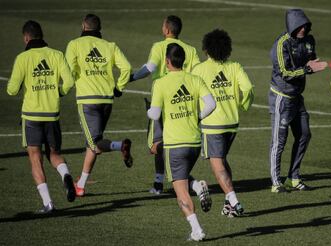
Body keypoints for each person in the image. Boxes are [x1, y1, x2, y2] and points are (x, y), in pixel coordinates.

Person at [147, 43, 216, 241]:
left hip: (174, 144)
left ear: (167, 62)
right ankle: (198, 187)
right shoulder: (195, 79)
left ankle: (197, 230)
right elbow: (211, 104)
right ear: (183, 61)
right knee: (183, 176)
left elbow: (155, 114)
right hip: (195, 142)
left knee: (180, 191)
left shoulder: (160, 83)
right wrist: (196, 117)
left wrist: (148, 111)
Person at [7, 20, 76, 213]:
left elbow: (12, 90)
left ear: (26, 38)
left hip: (31, 116)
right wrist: (58, 93)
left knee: (35, 158)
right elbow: (69, 81)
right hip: (52, 114)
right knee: (53, 154)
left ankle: (48, 204)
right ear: (42, 35)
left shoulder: (22, 58)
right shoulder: (56, 54)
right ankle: (66, 175)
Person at [130, 15, 200, 195]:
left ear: (167, 30)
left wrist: (130, 77)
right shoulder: (190, 50)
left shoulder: (159, 46)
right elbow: (198, 72)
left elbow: (150, 68)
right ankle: (163, 182)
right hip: (184, 99)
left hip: (162, 99)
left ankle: (169, 182)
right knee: (174, 140)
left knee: (156, 144)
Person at [65, 14, 133, 197]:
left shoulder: (74, 44)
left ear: (83, 26)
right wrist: (119, 87)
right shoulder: (110, 46)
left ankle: (120, 146)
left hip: (87, 101)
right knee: (93, 143)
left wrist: (64, 87)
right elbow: (126, 67)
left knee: (94, 144)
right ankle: (80, 185)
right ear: (99, 28)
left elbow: (69, 71)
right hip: (106, 101)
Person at [192, 29, 254, 217]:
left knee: (217, 164)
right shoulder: (235, 66)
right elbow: (249, 87)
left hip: (212, 124)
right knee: (223, 160)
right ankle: (229, 205)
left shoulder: (199, 70)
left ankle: (233, 198)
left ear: (206, 49)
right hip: (232, 123)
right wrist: (244, 105)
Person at [268, 9, 327, 193]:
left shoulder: (309, 40)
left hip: (297, 98)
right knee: (279, 141)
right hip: (282, 98)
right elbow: (284, 73)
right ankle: (276, 182)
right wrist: (308, 70)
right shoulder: (281, 44)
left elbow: (310, 58)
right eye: (299, 26)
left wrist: (315, 63)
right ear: (292, 25)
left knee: (304, 135)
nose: (303, 29)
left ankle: (294, 177)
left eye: (305, 25)